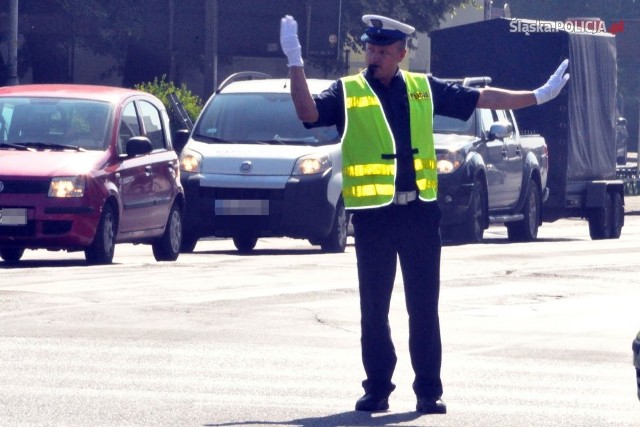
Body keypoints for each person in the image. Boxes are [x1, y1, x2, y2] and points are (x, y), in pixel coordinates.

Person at [280, 14, 569, 414]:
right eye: (371, 49)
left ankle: (428, 390)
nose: (374, 56)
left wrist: (536, 96)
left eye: (383, 50)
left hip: (419, 214)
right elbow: (307, 112)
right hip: (374, 217)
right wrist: (295, 61)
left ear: (401, 53)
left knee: (424, 306)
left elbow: (483, 97)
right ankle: (377, 387)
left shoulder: (422, 89)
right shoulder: (348, 92)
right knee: (374, 309)